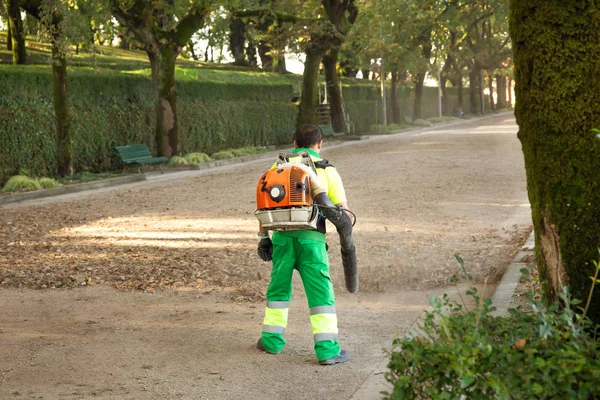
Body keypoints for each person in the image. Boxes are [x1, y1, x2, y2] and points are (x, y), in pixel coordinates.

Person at [256, 124, 350, 365]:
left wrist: (263, 238)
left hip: (282, 240)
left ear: (294, 143)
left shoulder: (277, 168)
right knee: (320, 295)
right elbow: (344, 213)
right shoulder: (328, 171)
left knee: (278, 291)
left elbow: (264, 205)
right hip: (313, 242)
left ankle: (271, 341)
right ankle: (327, 351)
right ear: (320, 144)